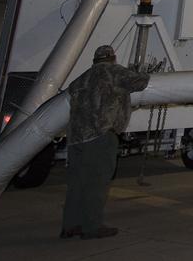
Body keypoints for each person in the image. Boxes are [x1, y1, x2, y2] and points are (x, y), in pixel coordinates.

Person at [60, 45, 150, 239]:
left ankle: (70, 225)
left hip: (75, 138)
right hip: (100, 135)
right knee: (97, 182)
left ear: (95, 60)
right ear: (112, 58)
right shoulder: (113, 71)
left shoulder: (80, 79)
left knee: (76, 183)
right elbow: (141, 82)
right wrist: (144, 71)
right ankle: (92, 226)